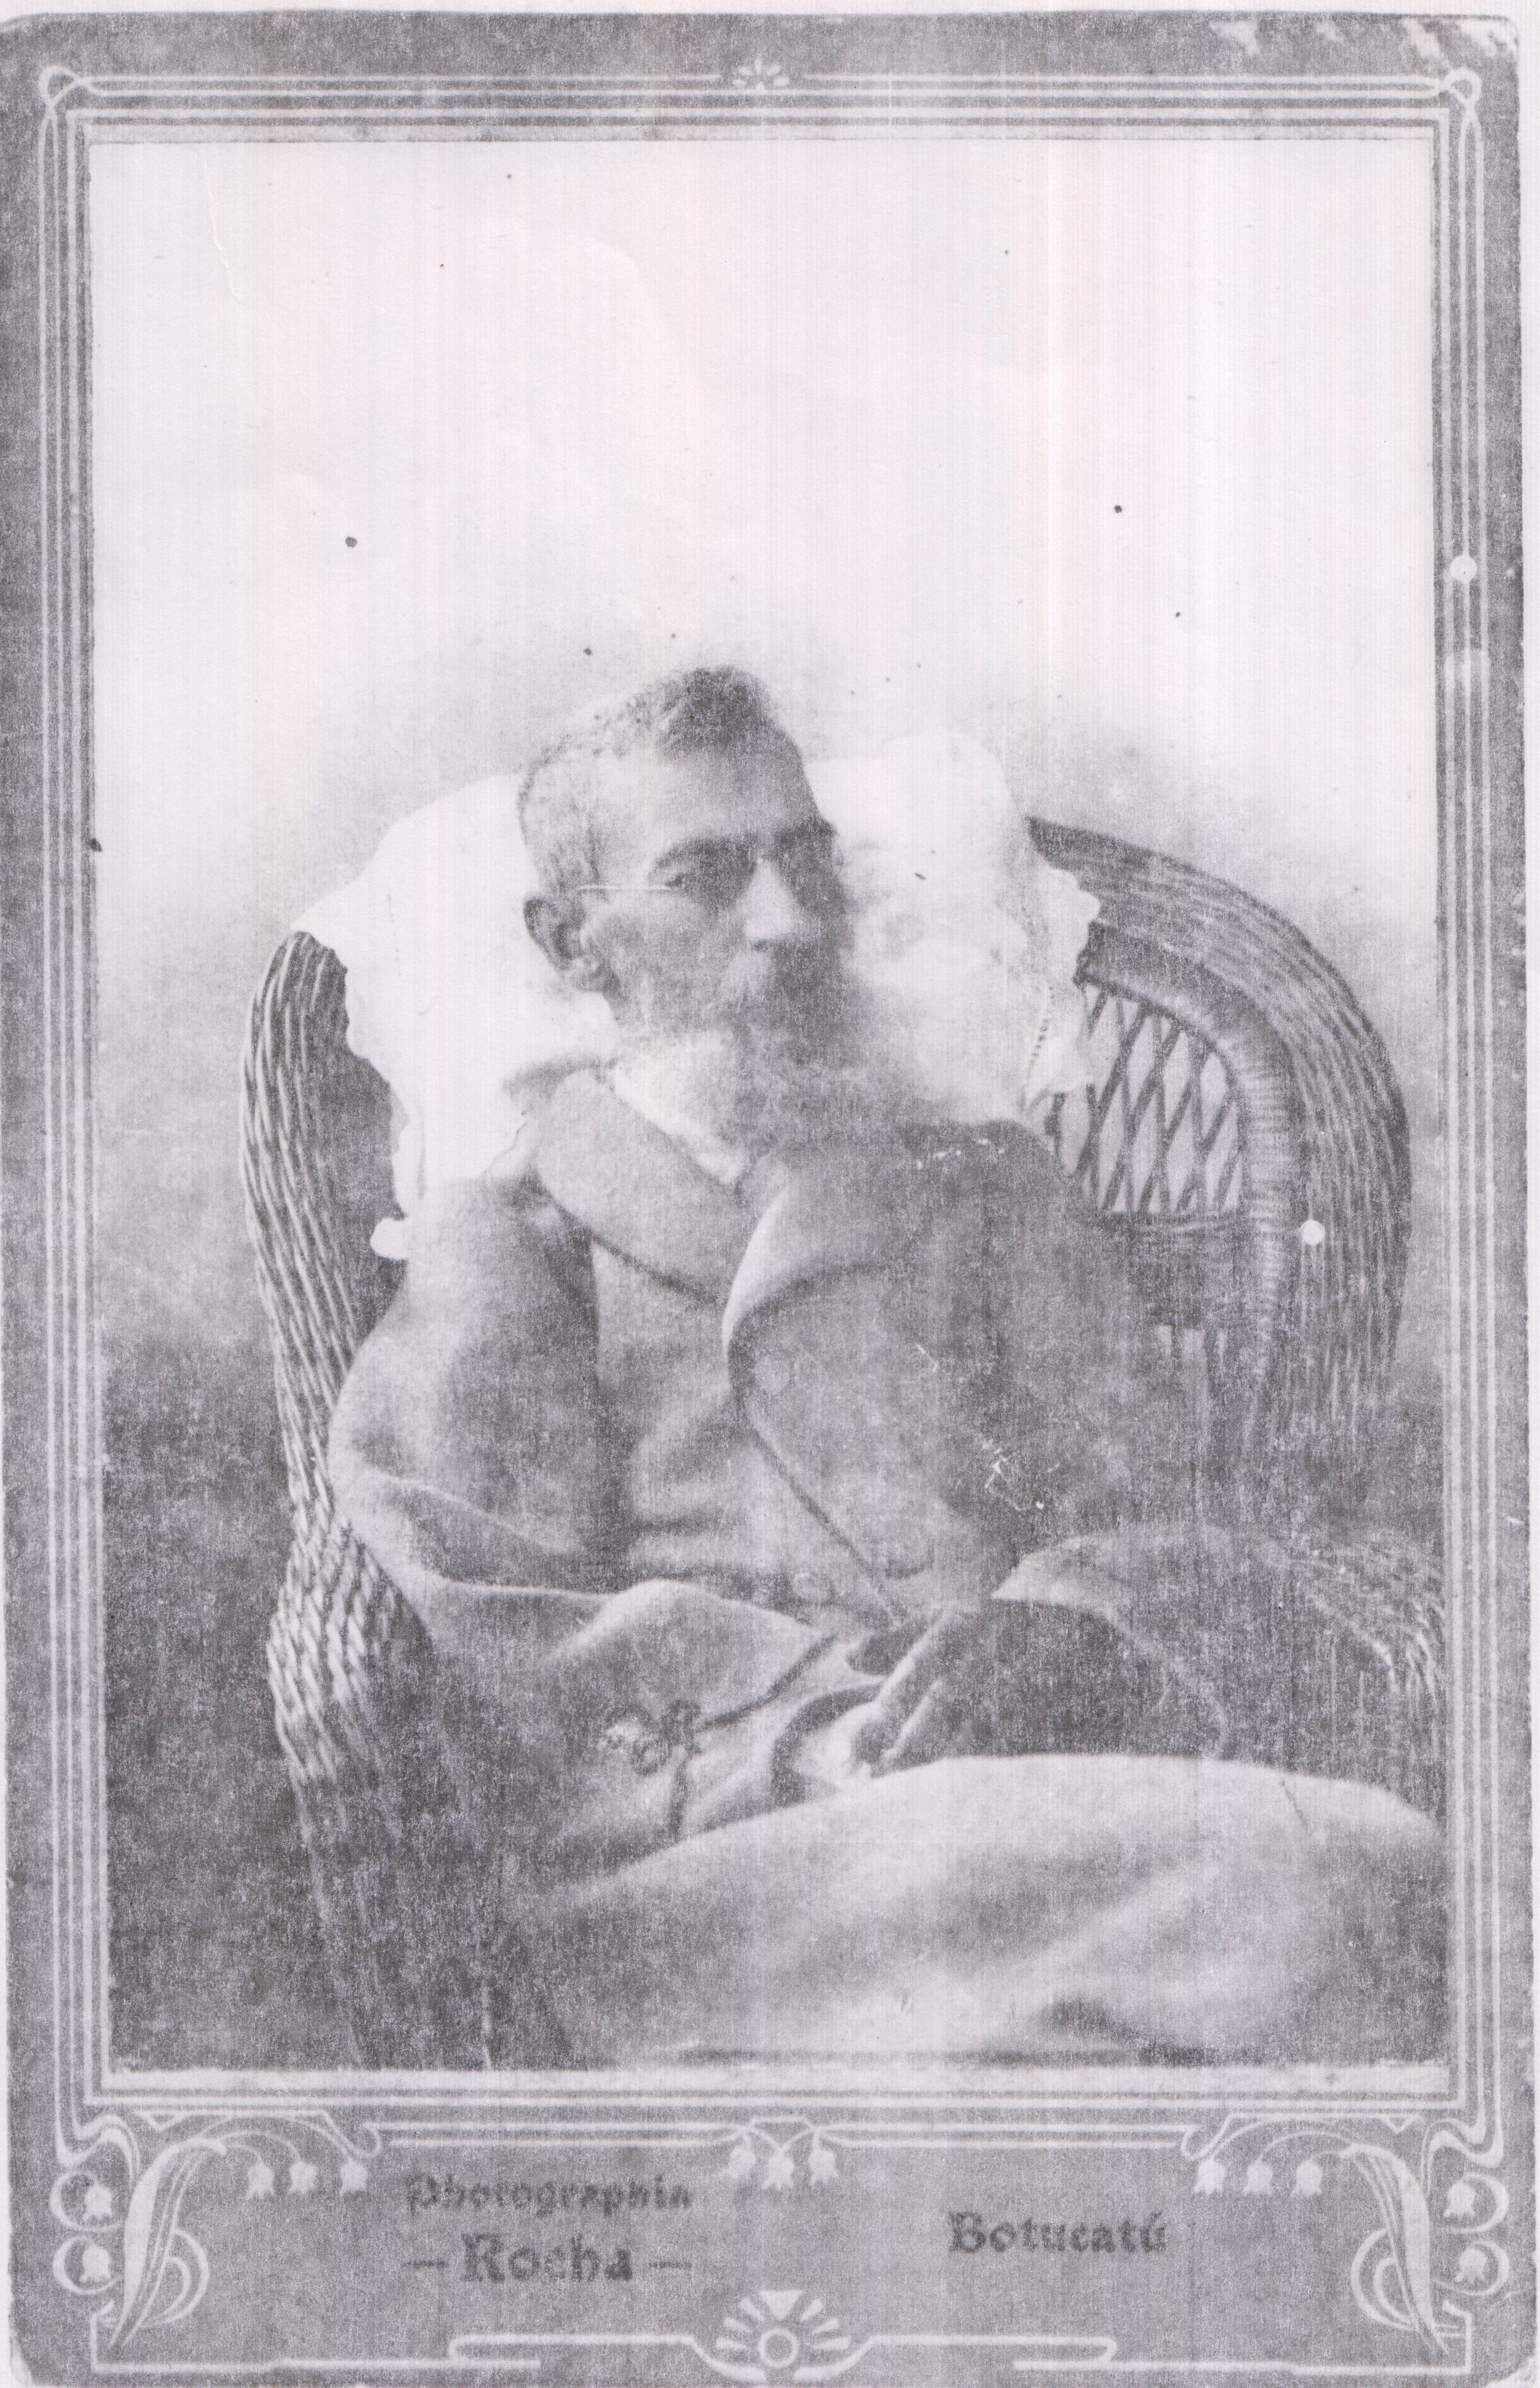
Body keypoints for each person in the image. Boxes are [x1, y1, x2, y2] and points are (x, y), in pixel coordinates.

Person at [328, 668, 1444, 2065]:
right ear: (572, 942)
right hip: (723, 1857)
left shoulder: (988, 1186)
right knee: (1356, 1874)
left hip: (1049, 1783)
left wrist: (1065, 1626)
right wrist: (815, 1731)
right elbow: (499, 1616)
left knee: (1310, 1917)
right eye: (706, 877)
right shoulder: (515, 1236)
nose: (788, 921)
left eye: (806, 859)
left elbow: (1151, 1495)